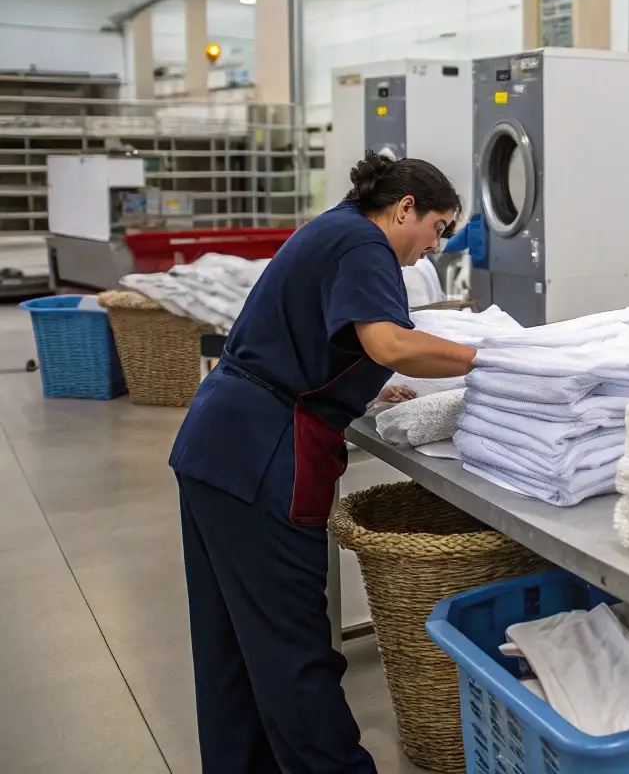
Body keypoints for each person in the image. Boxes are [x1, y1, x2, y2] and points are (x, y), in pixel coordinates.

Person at [169, 152, 478, 774]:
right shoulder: (365, 244)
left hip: (216, 443)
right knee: (293, 646)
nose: (433, 248)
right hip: (262, 455)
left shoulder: (334, 228)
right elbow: (388, 341)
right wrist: (492, 357)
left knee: (231, 642)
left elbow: (316, 333)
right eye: (439, 229)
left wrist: (361, 385)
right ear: (406, 207)